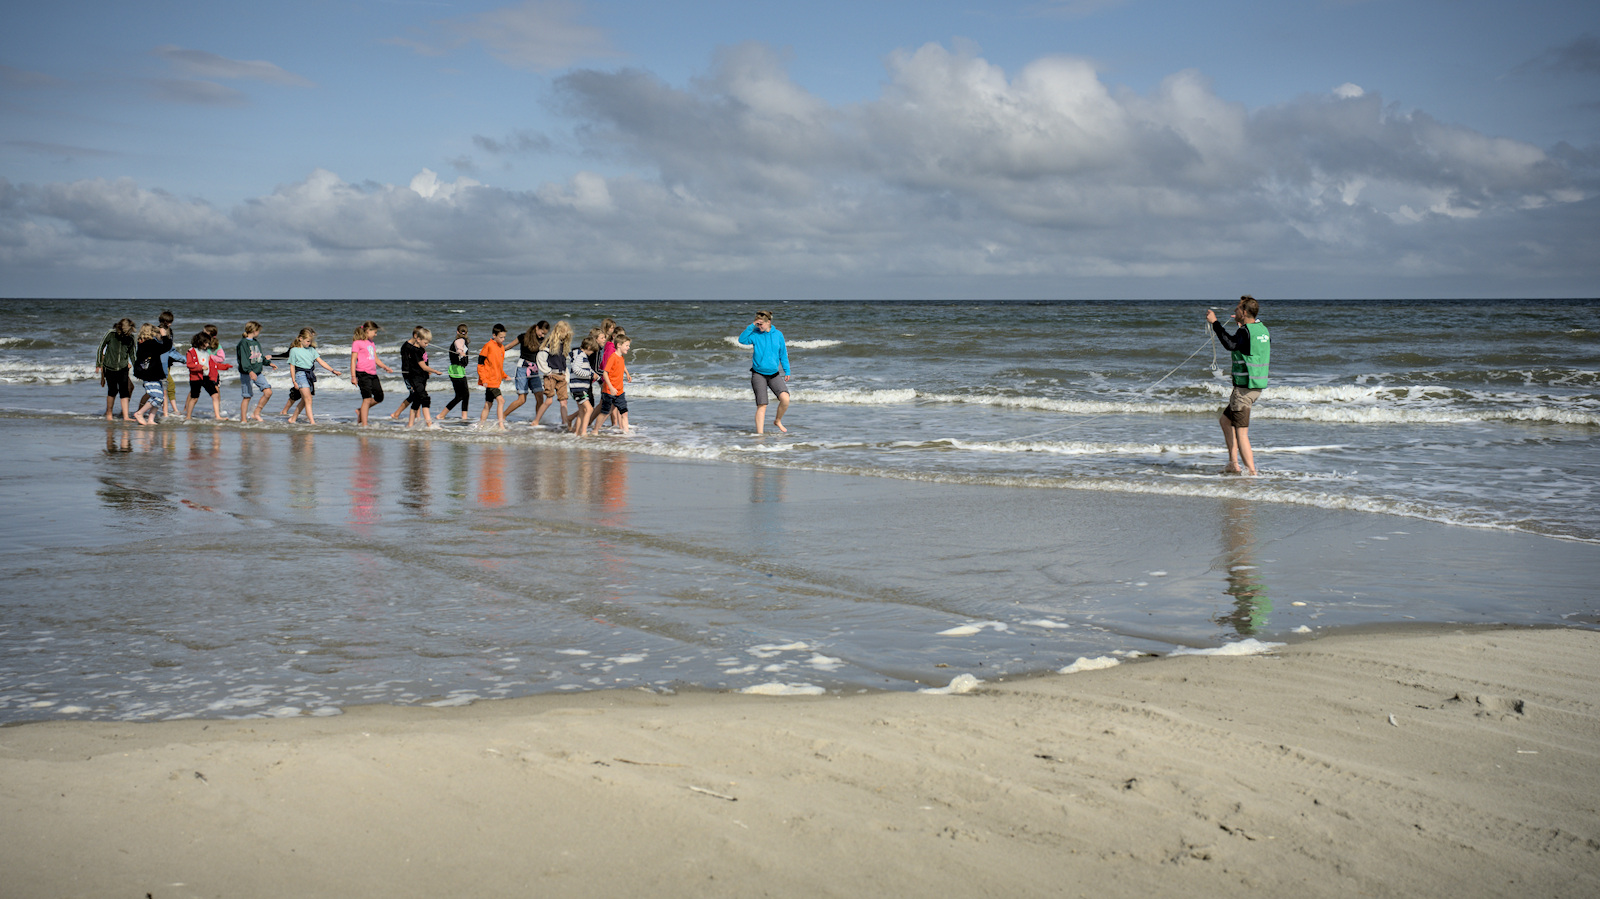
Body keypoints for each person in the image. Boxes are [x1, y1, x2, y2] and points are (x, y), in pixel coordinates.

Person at [1207, 295, 1271, 475]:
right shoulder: (1262, 329)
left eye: (1237, 309)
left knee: (1242, 433)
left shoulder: (1245, 332)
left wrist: (1215, 323)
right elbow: (1251, 347)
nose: (1234, 312)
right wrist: (1242, 327)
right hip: (1256, 387)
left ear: (1244, 312)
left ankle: (1252, 473)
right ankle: (1233, 464)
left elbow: (1230, 344)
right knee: (1225, 421)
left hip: (1243, 390)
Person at [737, 310, 791, 435]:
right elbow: (741, 340)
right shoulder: (755, 334)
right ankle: (760, 436)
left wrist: (787, 370)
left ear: (769, 322)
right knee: (762, 405)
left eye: (761, 324)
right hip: (758, 374)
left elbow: (783, 354)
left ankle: (777, 420)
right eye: (758, 324)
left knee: (785, 399)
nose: (759, 326)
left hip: (774, 374)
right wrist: (752, 325)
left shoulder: (778, 335)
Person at [286, 328, 342, 424]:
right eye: (307, 341)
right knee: (308, 398)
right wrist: (294, 381)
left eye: (310, 341)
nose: (309, 343)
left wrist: (332, 370)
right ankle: (312, 422)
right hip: (300, 375)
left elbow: (321, 362)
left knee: (305, 399)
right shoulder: (294, 350)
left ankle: (293, 418)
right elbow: (292, 366)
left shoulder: (312, 350)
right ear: (300, 338)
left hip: (309, 375)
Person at [350, 321, 394, 426]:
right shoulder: (357, 343)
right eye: (375, 332)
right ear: (368, 330)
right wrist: (353, 377)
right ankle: (364, 424)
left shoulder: (371, 343)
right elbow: (353, 360)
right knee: (367, 399)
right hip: (362, 373)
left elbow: (376, 359)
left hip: (373, 374)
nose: (376, 334)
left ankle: (361, 410)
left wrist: (385, 367)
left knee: (379, 397)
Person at [235, 321, 280, 423]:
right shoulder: (243, 343)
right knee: (247, 396)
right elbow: (244, 360)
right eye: (259, 331)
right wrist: (250, 371)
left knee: (268, 392)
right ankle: (243, 420)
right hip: (246, 373)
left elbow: (259, 356)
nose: (259, 333)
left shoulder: (255, 342)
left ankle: (256, 413)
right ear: (254, 331)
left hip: (258, 372)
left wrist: (268, 363)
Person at [182, 331, 232, 421]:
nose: (208, 344)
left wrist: (225, 367)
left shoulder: (206, 353)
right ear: (200, 341)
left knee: (215, 395)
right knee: (194, 398)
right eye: (206, 342)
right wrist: (200, 367)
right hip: (196, 378)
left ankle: (218, 416)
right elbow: (189, 365)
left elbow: (212, 364)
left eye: (208, 342)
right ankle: (188, 416)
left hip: (206, 377)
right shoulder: (191, 351)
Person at [95, 318, 137, 421]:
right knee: (112, 391)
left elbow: (132, 354)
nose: (128, 334)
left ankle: (126, 416)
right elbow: (100, 347)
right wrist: (98, 364)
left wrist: (137, 369)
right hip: (110, 367)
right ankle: (109, 413)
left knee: (124, 392)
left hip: (123, 368)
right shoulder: (111, 333)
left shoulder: (131, 338)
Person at [505, 321, 548, 423]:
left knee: (540, 396)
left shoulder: (543, 341)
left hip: (534, 370)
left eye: (544, 334)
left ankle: (537, 421)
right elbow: (508, 346)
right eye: (542, 332)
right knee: (522, 400)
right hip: (522, 368)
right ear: (537, 328)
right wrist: (492, 352)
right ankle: (503, 416)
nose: (542, 336)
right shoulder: (523, 337)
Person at [400, 326, 442, 429]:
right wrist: (434, 371)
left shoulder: (421, 349)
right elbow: (423, 366)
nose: (427, 345)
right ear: (418, 339)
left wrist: (428, 372)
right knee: (425, 398)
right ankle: (429, 424)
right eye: (425, 343)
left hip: (422, 378)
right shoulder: (415, 351)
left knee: (417, 400)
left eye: (428, 343)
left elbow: (424, 363)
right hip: (415, 378)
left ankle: (410, 425)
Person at [131, 323, 172, 425]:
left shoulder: (143, 343)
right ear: (150, 332)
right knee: (157, 397)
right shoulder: (149, 344)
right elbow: (166, 347)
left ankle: (150, 419)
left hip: (153, 374)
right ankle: (139, 413)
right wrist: (164, 336)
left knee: (160, 398)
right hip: (150, 375)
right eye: (155, 332)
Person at [534, 320, 572, 429]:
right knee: (549, 400)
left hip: (561, 376)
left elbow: (564, 363)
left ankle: (565, 423)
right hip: (551, 376)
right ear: (558, 331)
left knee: (564, 401)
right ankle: (536, 421)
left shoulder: (564, 345)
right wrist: (547, 371)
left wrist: (566, 376)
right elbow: (540, 357)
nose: (566, 335)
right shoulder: (549, 343)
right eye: (564, 332)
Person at [597, 329, 631, 435]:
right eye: (627, 345)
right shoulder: (613, 357)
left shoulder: (621, 357)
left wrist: (627, 373)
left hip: (619, 391)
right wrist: (611, 387)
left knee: (624, 412)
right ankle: (595, 430)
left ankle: (627, 433)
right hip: (609, 391)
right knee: (605, 413)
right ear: (619, 345)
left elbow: (622, 366)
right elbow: (605, 373)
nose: (628, 348)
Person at [477, 324, 510, 430]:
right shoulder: (488, 346)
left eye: (504, 337)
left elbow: (498, 365)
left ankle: (481, 425)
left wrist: (504, 375)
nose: (503, 339)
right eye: (501, 337)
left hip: (496, 381)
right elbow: (480, 364)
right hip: (490, 381)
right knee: (501, 401)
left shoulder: (501, 348)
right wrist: (484, 379)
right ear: (494, 335)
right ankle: (501, 425)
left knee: (488, 404)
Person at [567, 334, 599, 437]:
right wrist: (590, 374)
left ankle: (577, 432)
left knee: (582, 410)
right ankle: (584, 432)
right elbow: (576, 370)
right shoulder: (580, 356)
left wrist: (597, 377)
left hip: (578, 387)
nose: (592, 353)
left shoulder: (581, 355)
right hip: (578, 387)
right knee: (589, 409)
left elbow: (587, 369)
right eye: (592, 351)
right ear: (588, 348)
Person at [442, 324, 472, 423]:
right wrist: (461, 352)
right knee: (463, 395)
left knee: (463, 395)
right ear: (466, 333)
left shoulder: (461, 341)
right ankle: (442, 415)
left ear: (457, 332)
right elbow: (459, 347)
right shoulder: (460, 341)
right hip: (457, 370)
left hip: (455, 370)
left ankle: (464, 417)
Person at [158, 310, 179, 416]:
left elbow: (171, 347)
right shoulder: (158, 331)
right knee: (169, 385)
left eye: (171, 322)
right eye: (168, 322)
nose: (170, 324)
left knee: (164, 387)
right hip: (160, 363)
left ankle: (170, 410)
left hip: (168, 362)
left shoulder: (170, 331)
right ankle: (173, 410)